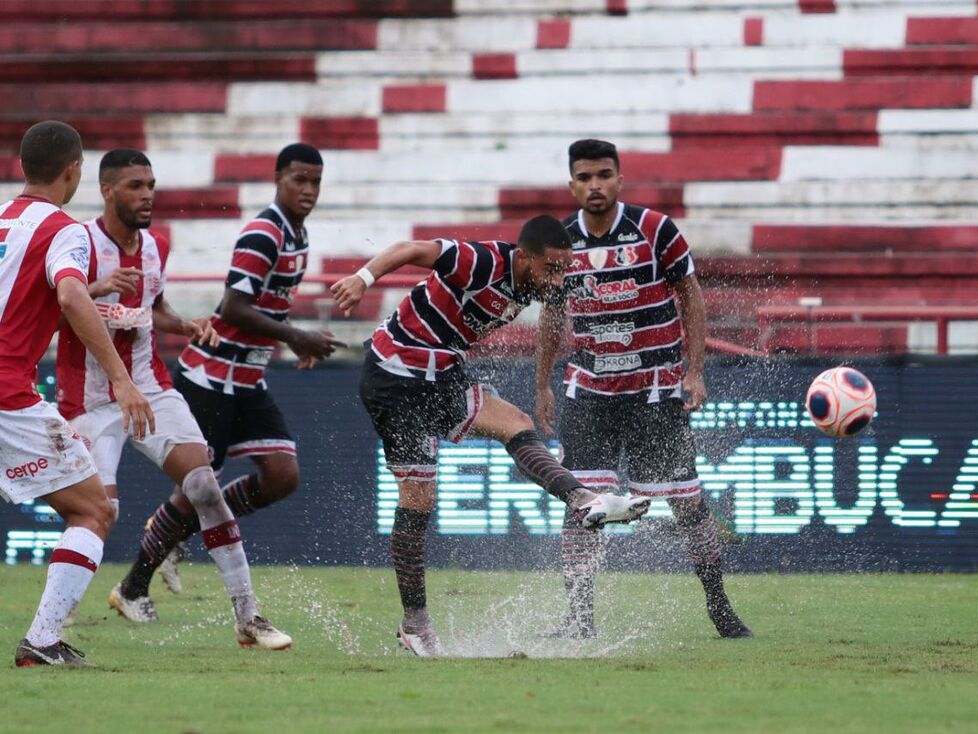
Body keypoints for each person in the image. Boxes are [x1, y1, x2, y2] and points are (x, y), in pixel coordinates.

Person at [330, 215, 652, 657]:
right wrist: (362, 278)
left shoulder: (534, 284)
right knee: (418, 499)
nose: (558, 280)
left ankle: (585, 501)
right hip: (395, 377)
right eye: (552, 269)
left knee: (515, 422)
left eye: (564, 270)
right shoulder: (480, 262)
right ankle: (415, 625)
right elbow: (410, 248)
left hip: (441, 374)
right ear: (524, 258)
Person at [56, 149, 291, 649]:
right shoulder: (78, 242)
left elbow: (151, 305)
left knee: (204, 483)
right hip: (91, 399)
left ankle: (248, 617)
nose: (147, 195)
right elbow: (55, 307)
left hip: (151, 387)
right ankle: (58, 617)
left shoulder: (155, 245)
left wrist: (182, 323)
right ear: (106, 190)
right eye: (136, 186)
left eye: (151, 185)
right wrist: (95, 288)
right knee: (98, 513)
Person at [534, 139, 752, 639]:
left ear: (619, 179)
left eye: (604, 175)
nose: (595, 186)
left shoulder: (656, 230)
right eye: (585, 177)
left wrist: (694, 371)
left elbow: (690, 298)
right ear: (571, 185)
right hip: (589, 390)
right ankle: (579, 619)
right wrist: (544, 382)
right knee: (581, 505)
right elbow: (551, 315)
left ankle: (719, 606)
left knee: (687, 502)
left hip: (655, 389)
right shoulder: (560, 244)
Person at [114, 143, 344, 606]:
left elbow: (265, 304)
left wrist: (288, 340)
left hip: (248, 378)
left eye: (315, 181)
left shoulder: (298, 235)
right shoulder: (263, 233)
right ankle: (134, 587)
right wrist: (296, 336)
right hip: (212, 378)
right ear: (278, 178)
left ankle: (180, 537)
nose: (308, 190)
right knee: (197, 487)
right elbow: (235, 307)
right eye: (299, 179)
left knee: (282, 475)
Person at [3, 121, 155, 667]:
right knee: (93, 510)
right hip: (6, 395)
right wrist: (120, 376)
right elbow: (70, 293)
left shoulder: (2, 223)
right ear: (74, 171)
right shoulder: (66, 231)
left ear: (23, 166)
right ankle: (42, 641)